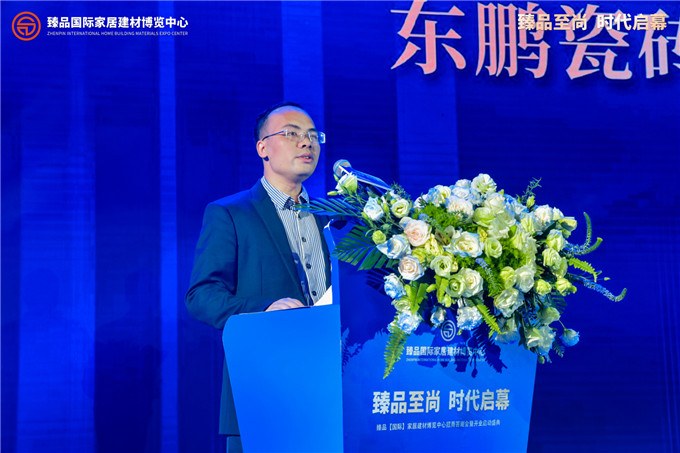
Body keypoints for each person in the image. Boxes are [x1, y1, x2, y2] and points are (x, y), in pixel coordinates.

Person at [185, 102, 331, 453]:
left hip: (332, 388)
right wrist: (264, 309)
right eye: (292, 134)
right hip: (264, 391)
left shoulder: (333, 219)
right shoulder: (230, 213)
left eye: (313, 136)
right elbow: (202, 296)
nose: (306, 142)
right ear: (262, 148)